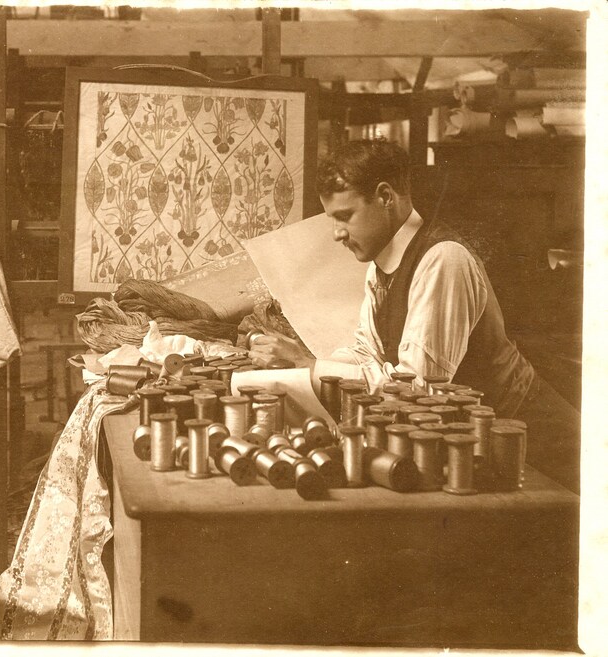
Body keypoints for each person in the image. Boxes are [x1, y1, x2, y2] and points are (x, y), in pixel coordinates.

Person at [248, 139, 579, 493]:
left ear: (386, 197)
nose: (336, 234)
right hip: (479, 443)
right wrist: (300, 367)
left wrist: (312, 367)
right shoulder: (381, 266)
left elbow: (420, 386)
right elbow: (366, 352)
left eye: (345, 216)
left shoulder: (443, 260)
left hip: (538, 444)